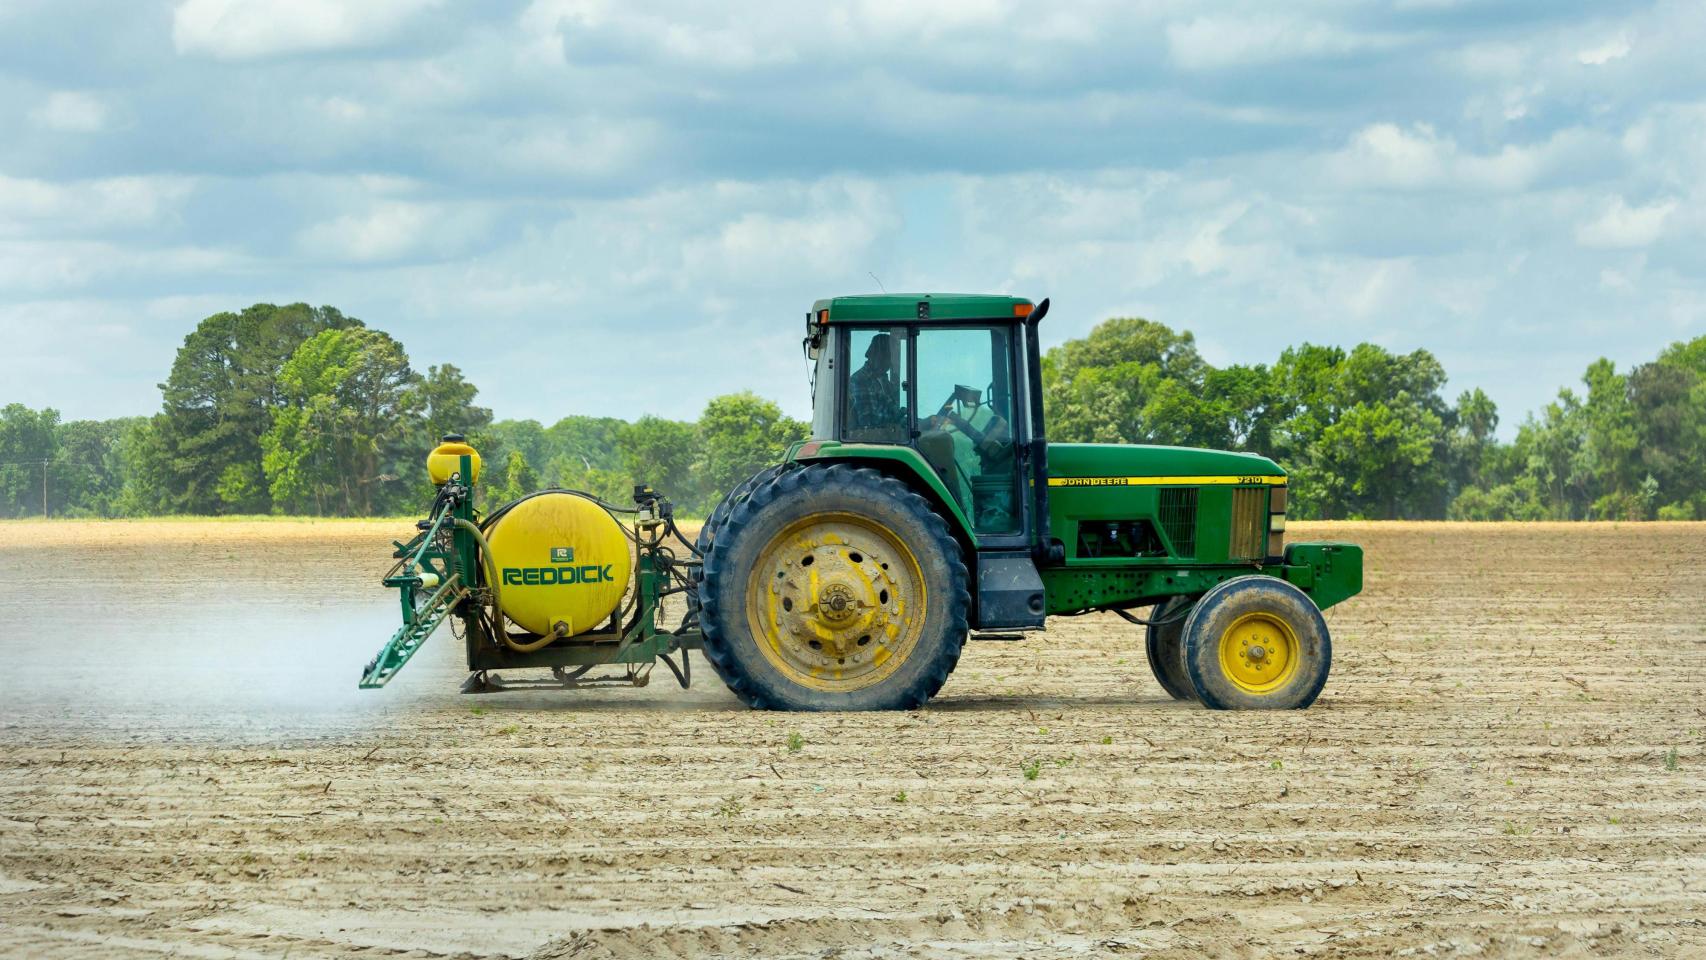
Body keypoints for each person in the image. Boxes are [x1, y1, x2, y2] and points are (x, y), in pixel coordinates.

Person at [847, 334, 903, 440]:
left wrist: (919, 422)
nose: (891, 363)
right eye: (888, 356)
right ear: (876, 355)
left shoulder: (884, 381)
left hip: (885, 438)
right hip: (870, 441)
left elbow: (893, 413)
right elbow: (870, 422)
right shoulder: (860, 380)